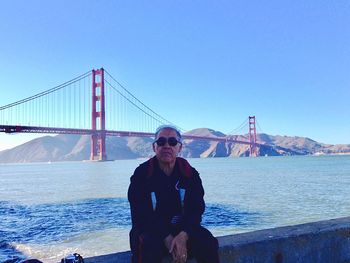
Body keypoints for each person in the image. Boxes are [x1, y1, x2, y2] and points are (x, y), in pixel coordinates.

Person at [128, 125, 219, 263]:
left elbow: (196, 209)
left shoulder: (190, 174)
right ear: (154, 147)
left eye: (172, 142)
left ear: (179, 148)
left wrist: (184, 235)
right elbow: (140, 214)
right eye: (161, 142)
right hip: (151, 231)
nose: (166, 146)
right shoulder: (141, 175)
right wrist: (166, 237)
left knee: (208, 242)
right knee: (146, 246)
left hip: (181, 231)